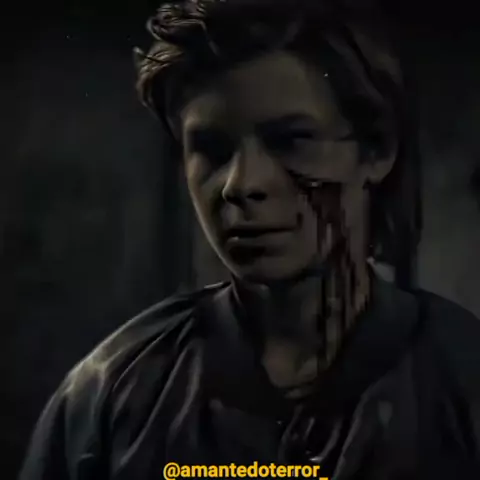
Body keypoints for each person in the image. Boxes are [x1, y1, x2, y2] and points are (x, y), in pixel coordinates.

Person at [20, 0, 480, 478]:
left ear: (376, 151)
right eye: (211, 149)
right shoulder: (110, 395)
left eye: (290, 141)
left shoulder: (464, 381)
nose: (242, 185)